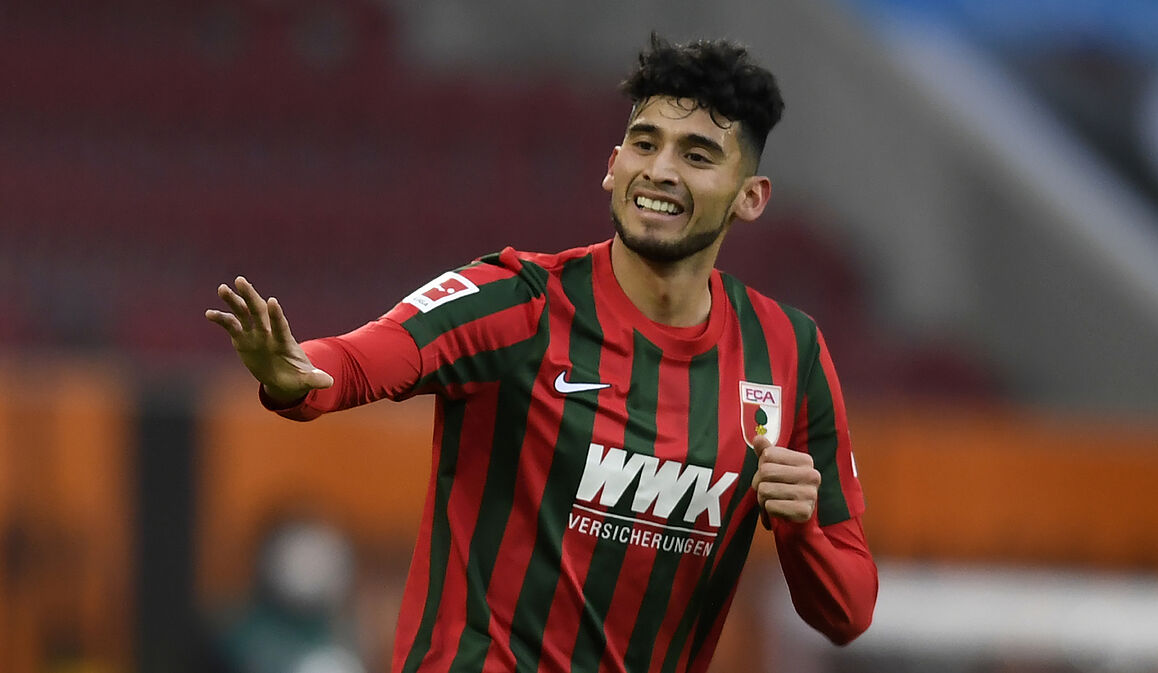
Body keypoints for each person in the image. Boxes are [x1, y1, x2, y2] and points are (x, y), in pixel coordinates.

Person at [206, 34, 877, 673]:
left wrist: (801, 529)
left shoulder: (789, 354)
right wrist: (298, 376)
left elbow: (848, 612)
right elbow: (365, 358)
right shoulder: (519, 300)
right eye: (645, 143)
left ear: (750, 198)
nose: (661, 170)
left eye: (698, 156)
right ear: (613, 166)